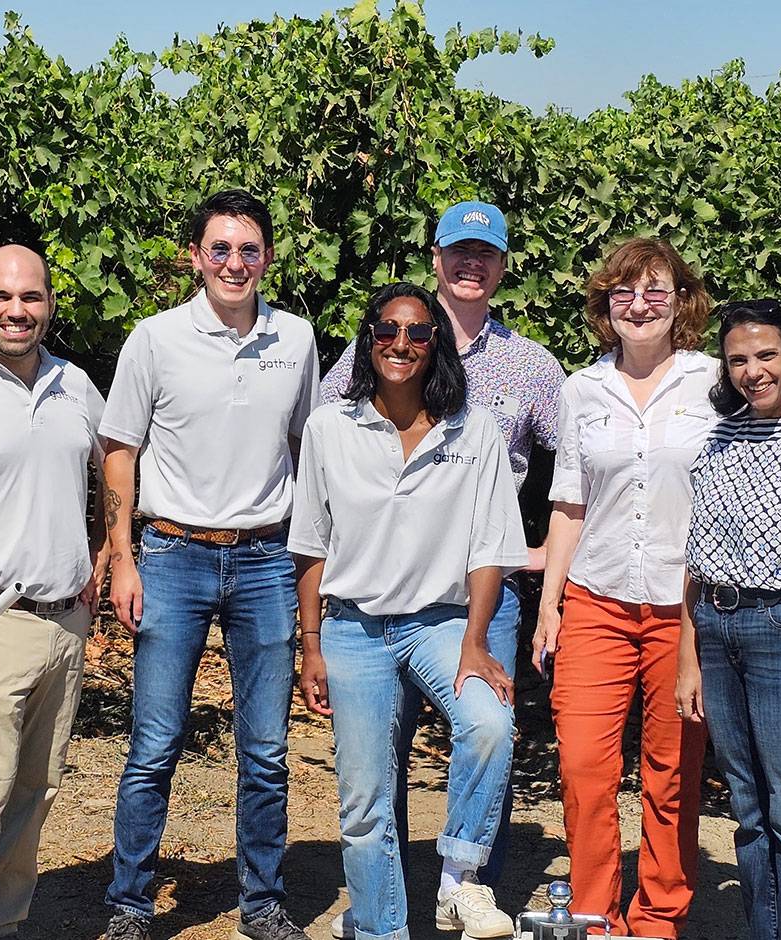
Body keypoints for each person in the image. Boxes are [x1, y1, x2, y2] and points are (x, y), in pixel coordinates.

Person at [318, 202, 563, 919]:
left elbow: (579, 470)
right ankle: (378, 902)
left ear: (502, 267)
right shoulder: (386, 336)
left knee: (484, 728)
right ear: (436, 258)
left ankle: (463, 886)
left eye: (485, 253)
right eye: (459, 250)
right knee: (378, 754)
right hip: (382, 585)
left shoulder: (532, 364)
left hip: (479, 589)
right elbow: (332, 434)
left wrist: (548, 551)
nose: (471, 264)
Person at [99, 189, 318, 940]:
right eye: (219, 248)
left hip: (264, 560)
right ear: (194, 256)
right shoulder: (154, 340)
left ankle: (262, 903)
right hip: (171, 555)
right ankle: (130, 904)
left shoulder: (296, 337)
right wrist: (122, 557)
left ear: (268, 257)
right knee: (154, 744)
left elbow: (305, 449)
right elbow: (119, 449)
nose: (234, 262)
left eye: (248, 249)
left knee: (265, 751)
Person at [294, 283, 530, 940]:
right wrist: (311, 645)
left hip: (441, 623)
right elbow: (310, 545)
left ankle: (458, 880)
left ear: (436, 346)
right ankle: (380, 930)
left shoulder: (472, 429)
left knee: (488, 723)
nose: (402, 343)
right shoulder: (329, 427)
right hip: (354, 630)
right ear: (370, 339)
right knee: (367, 804)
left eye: (419, 332)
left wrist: (476, 641)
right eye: (388, 330)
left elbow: (490, 547)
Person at [534, 237, 717, 938]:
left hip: (683, 612)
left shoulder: (713, 383)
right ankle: (592, 914)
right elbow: (570, 504)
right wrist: (550, 604)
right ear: (606, 306)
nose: (639, 304)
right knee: (583, 766)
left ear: (681, 302)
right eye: (623, 292)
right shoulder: (582, 389)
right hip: (597, 600)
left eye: (655, 290)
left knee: (671, 773)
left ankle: (658, 917)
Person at [0, 244, 110, 938]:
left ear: (50, 304)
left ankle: (0, 923)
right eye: (1, 297)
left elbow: (117, 466)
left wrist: (107, 548)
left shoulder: (76, 385)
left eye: (30, 297)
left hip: (66, 621)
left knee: (38, 788)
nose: (17, 310)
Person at [674, 299, 781, 940]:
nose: (753, 370)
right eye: (739, 360)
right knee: (747, 810)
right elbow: (699, 551)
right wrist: (688, 657)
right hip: (717, 629)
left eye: (766, 355)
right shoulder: (720, 436)